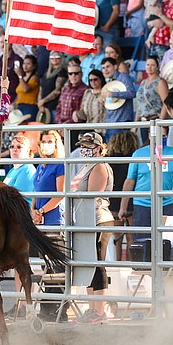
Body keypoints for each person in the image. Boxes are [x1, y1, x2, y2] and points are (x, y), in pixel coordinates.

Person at [66, 131, 114, 323]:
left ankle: (99, 309)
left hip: (97, 218)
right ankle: (92, 308)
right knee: (89, 262)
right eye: (83, 146)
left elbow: (93, 196)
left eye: (89, 146)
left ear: (99, 148)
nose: (84, 149)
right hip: (86, 219)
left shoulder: (99, 166)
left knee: (97, 263)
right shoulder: (86, 166)